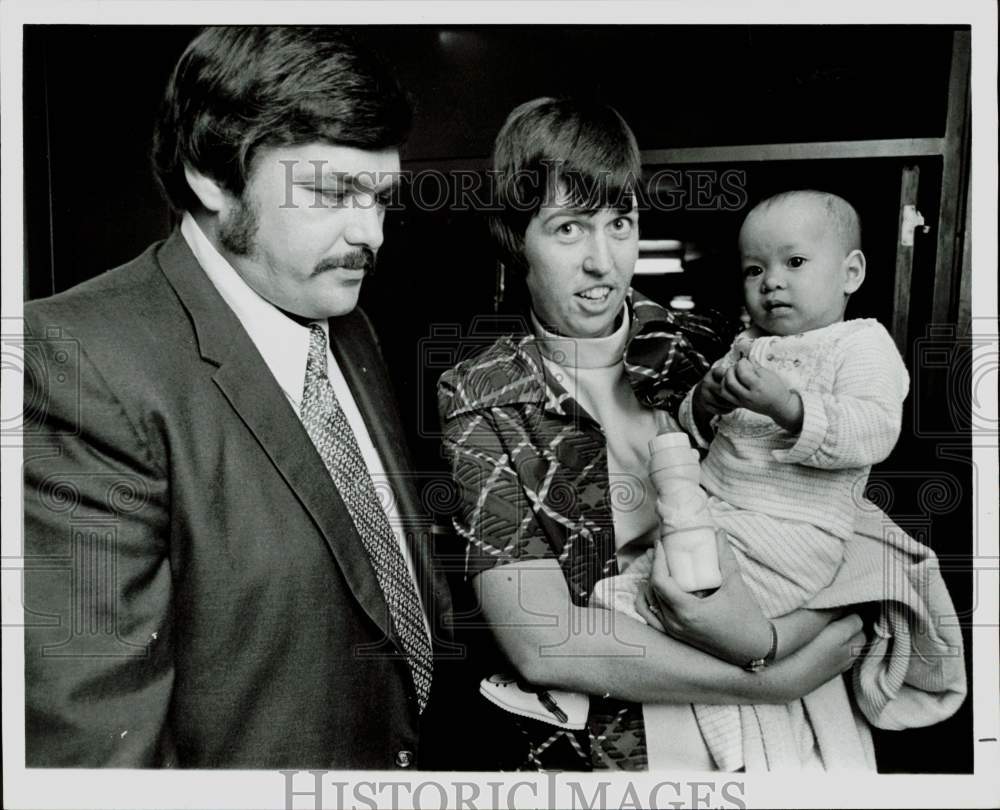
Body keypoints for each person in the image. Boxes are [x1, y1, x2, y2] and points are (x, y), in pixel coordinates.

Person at [22, 26, 454, 769]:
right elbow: (98, 748)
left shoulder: (350, 325)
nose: (371, 234)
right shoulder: (74, 365)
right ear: (212, 177)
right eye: (329, 193)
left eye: (381, 198)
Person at [437, 97, 872, 772]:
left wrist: (777, 636)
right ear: (514, 236)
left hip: (788, 733)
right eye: (568, 229)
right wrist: (768, 672)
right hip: (614, 751)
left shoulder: (705, 348)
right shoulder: (484, 398)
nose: (602, 261)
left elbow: (843, 514)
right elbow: (543, 640)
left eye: (620, 222)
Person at [588, 189, 966, 770]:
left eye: (794, 263)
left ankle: (731, 737)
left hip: (794, 533)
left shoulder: (861, 344)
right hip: (719, 515)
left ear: (851, 272)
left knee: (684, 618)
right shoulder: (749, 345)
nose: (771, 283)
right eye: (754, 270)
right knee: (622, 595)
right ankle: (583, 694)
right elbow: (711, 433)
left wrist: (790, 406)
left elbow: (873, 430)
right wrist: (704, 404)